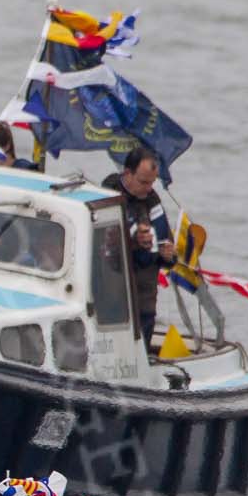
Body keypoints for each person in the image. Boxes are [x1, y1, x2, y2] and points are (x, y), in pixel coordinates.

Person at [102, 146, 176, 347]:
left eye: (152, 182)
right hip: (114, 299)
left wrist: (167, 254)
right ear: (128, 173)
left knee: (142, 347)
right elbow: (104, 245)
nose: (148, 188)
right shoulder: (107, 196)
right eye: (143, 182)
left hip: (145, 299)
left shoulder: (152, 202)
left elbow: (166, 244)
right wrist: (134, 240)